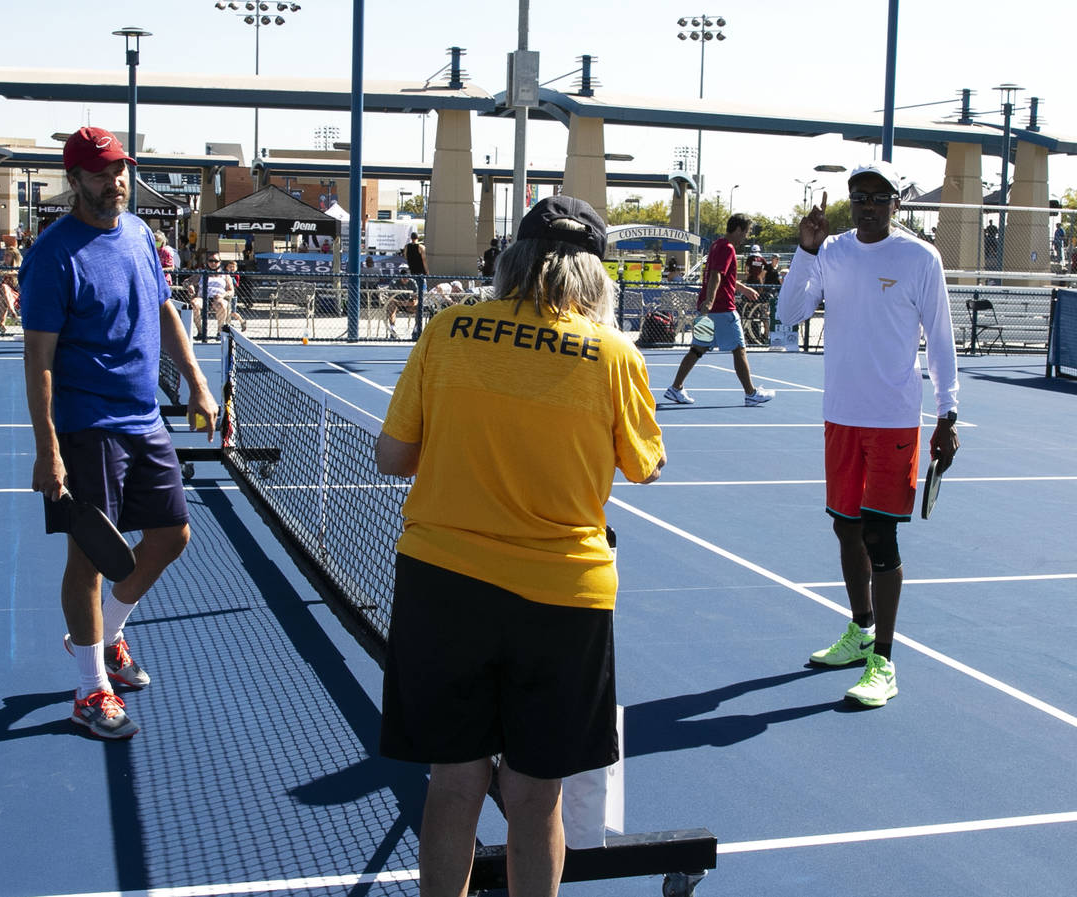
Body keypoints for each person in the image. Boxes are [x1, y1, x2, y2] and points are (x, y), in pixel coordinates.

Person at [376, 195, 666, 897]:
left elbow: (393, 455)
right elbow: (644, 464)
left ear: (514, 259)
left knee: (454, 782)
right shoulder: (614, 355)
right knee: (537, 797)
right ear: (596, 272)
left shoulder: (448, 330)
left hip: (443, 583)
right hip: (564, 597)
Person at [20, 126, 218, 740]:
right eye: (103, 173)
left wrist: (196, 381)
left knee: (172, 535)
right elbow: (39, 359)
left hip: (143, 417)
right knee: (90, 557)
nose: (117, 181)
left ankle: (106, 632)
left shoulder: (139, 235)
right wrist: (48, 449)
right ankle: (89, 689)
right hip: (88, 426)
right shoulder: (53, 256)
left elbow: (163, 309)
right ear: (75, 179)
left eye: (121, 170)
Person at [777, 161, 959, 708]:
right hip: (841, 416)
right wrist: (805, 250)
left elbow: (942, 339)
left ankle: (884, 660)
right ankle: (858, 632)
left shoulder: (919, 258)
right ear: (851, 203)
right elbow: (790, 314)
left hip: (895, 420)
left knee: (881, 537)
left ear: (895, 204)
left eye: (880, 197)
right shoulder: (830, 251)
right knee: (845, 530)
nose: (869, 205)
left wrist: (948, 416)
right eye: (860, 197)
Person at [663, 214, 775, 406]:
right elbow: (716, 275)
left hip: (712, 309)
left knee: (697, 349)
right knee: (739, 349)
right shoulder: (727, 248)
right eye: (746, 232)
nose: (746, 237)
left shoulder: (717, 245)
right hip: (722, 310)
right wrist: (710, 300)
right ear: (738, 229)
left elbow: (724, 277)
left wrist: (742, 288)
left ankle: (675, 388)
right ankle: (751, 393)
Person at [185, 251, 240, 336]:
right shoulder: (201, 273)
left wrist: (223, 295)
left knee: (222, 304)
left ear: (220, 262)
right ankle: (201, 332)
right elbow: (187, 282)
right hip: (202, 297)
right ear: (207, 262)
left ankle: (219, 331)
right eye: (211, 261)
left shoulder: (224, 274)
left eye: (216, 261)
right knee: (194, 303)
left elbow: (231, 291)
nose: (213, 263)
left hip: (218, 298)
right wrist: (190, 286)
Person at [385, 264, 419, 338]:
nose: (406, 280)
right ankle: (392, 330)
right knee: (391, 306)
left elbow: (416, 297)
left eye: (407, 278)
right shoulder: (394, 282)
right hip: (396, 303)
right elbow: (390, 297)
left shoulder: (413, 282)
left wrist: (410, 302)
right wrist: (399, 302)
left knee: (418, 306)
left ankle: (416, 330)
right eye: (404, 278)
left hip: (408, 304)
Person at [0, 246, 22, 334]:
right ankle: (12, 312)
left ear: (14, 257)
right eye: (4, 255)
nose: (5, 257)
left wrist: (4, 273)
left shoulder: (19, 267)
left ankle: (2, 324)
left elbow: (16, 273)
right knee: (4, 288)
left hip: (16, 297)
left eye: (8, 255)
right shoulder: (0, 267)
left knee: (4, 292)